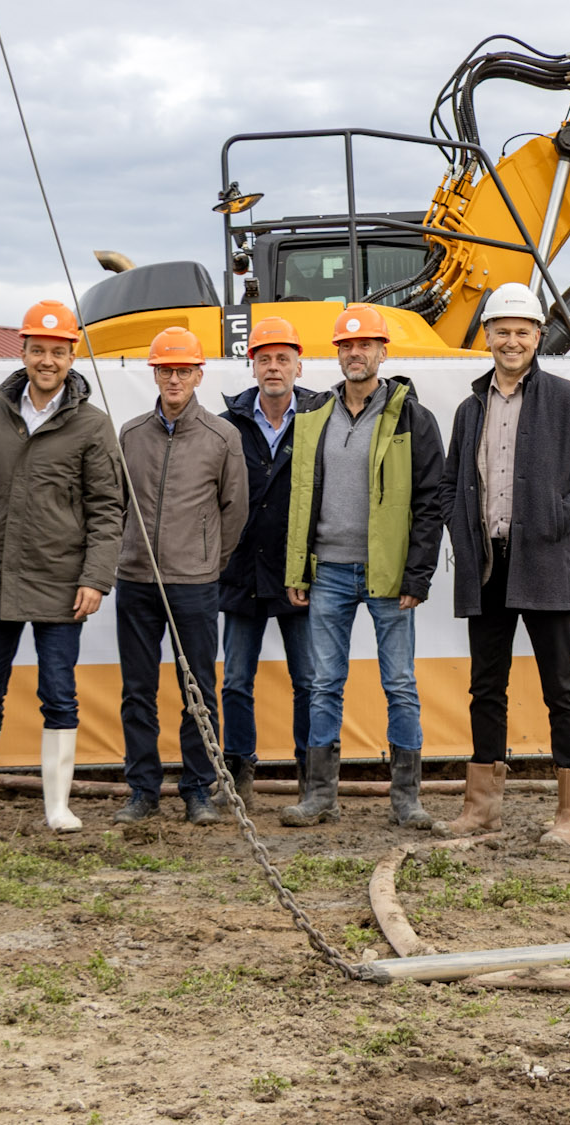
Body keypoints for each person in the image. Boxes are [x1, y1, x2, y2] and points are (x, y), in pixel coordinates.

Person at [438, 283, 570, 845]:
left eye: (521, 332)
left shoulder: (568, 400)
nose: (510, 341)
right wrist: (460, 528)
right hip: (487, 566)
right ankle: (482, 810)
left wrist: (558, 518)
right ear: (487, 337)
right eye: (501, 332)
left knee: (560, 687)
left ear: (538, 337)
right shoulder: (472, 409)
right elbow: (450, 484)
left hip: (543, 564)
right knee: (484, 689)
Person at [0, 300, 123, 835]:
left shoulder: (93, 425)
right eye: (37, 349)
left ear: (72, 356)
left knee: (58, 692)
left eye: (58, 351)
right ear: (21, 352)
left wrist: (96, 578)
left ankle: (57, 807)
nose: (47, 360)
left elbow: (107, 508)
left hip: (61, 581)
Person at [280, 304, 447, 830]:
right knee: (324, 682)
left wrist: (416, 575)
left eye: (365, 345)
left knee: (399, 683)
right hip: (327, 570)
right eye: (347, 346)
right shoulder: (315, 417)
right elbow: (300, 498)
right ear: (338, 353)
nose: (356, 353)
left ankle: (406, 800)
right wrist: (297, 571)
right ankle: (320, 795)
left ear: (382, 351)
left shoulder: (412, 418)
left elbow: (430, 500)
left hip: (388, 574)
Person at [112, 326, 247, 826]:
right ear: (156, 373)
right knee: (137, 689)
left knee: (199, 691)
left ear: (198, 374)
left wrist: (209, 561)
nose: (174, 378)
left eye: (183, 370)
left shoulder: (221, 436)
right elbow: (115, 506)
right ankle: (143, 790)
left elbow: (234, 510)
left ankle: (197, 789)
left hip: (194, 583)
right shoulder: (129, 434)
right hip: (136, 581)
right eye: (166, 369)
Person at [216, 317, 326, 809]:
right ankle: (238, 775)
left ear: (299, 364)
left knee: (308, 681)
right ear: (252, 365)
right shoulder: (229, 422)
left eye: (283, 358)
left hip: (297, 574)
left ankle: (310, 777)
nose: (274, 367)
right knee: (236, 680)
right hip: (240, 573)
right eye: (265, 358)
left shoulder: (321, 418)